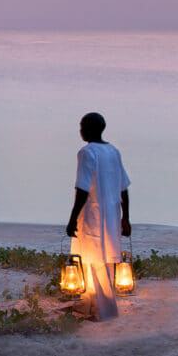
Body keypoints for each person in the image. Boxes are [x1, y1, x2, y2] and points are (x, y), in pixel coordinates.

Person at [65, 112, 131, 320]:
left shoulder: (86, 153)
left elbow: (82, 189)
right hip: (111, 213)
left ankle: (104, 311)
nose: (80, 130)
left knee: (94, 259)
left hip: (94, 214)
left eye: (82, 126)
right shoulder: (113, 151)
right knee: (102, 257)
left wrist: (72, 218)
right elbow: (123, 188)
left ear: (90, 129)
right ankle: (94, 305)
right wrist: (125, 217)